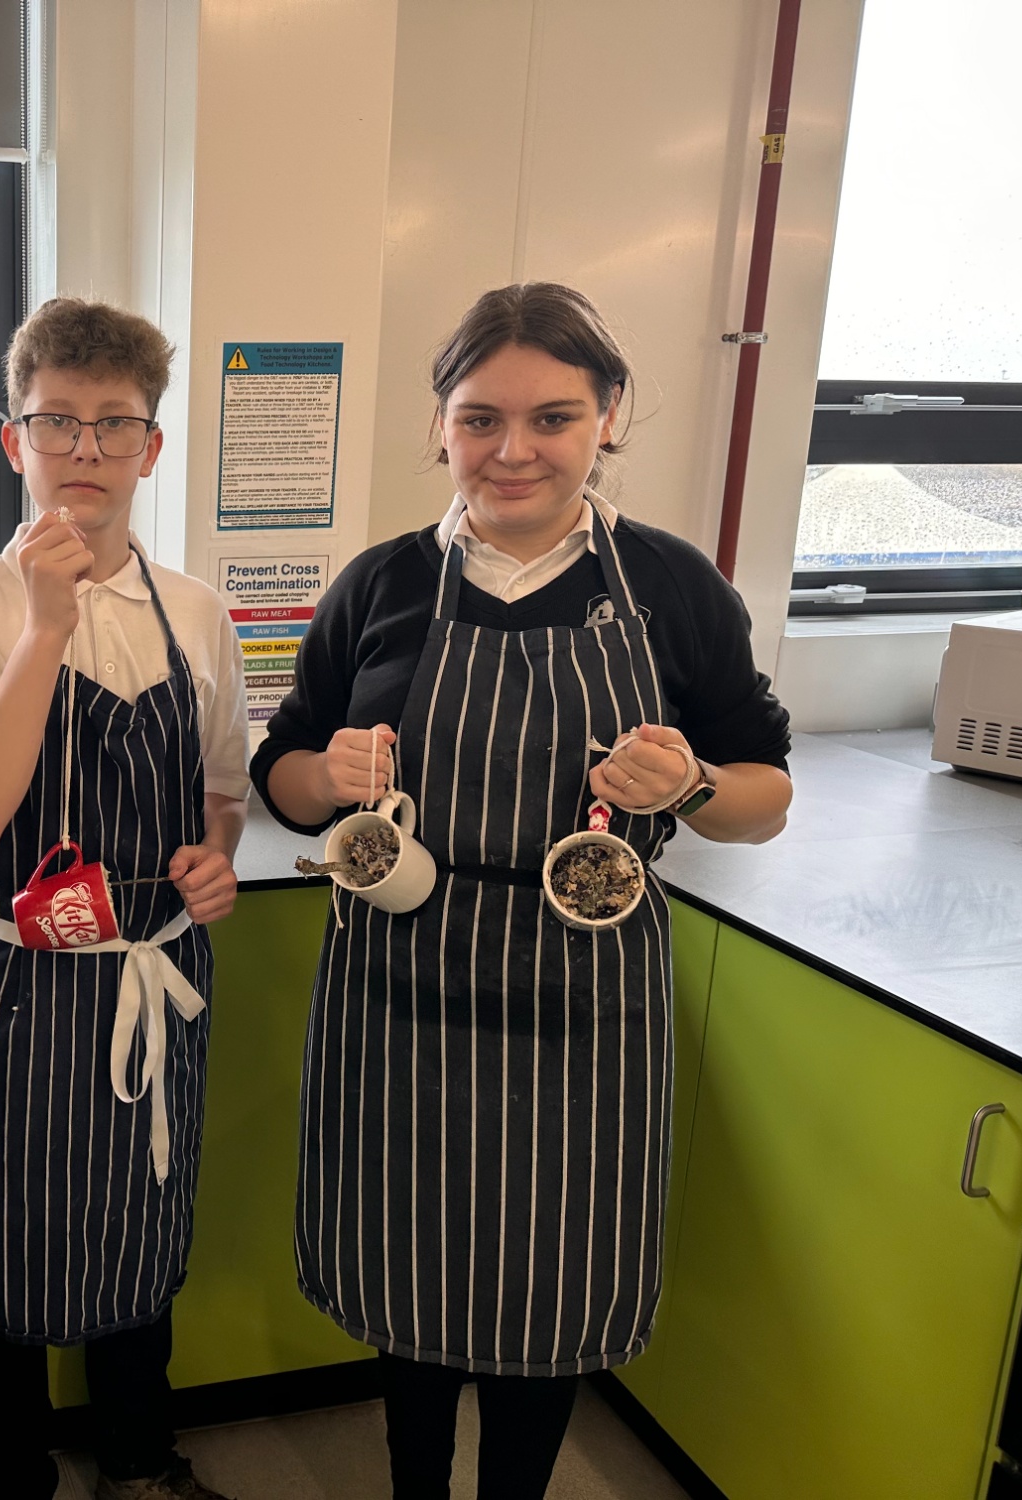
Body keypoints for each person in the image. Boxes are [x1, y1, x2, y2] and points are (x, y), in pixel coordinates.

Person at [251, 283, 793, 1499]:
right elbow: (280, 777)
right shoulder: (381, 584)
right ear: (439, 425)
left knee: (550, 1281)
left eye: (552, 418)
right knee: (407, 1271)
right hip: (398, 984)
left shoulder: (669, 587)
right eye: (478, 418)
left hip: (583, 995)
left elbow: (763, 795)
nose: (512, 451)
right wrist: (323, 774)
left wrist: (692, 783)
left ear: (607, 417)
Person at [0, 298, 249, 1500]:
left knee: (142, 1219)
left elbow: (218, 787)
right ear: (15, 441)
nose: (85, 449)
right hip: (19, 984)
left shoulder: (194, 610)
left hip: (154, 970)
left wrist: (213, 860)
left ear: (150, 447)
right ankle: (14, 1477)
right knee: (8, 1235)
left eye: (114, 425)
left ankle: (139, 1463)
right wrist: (44, 626)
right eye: (58, 422)